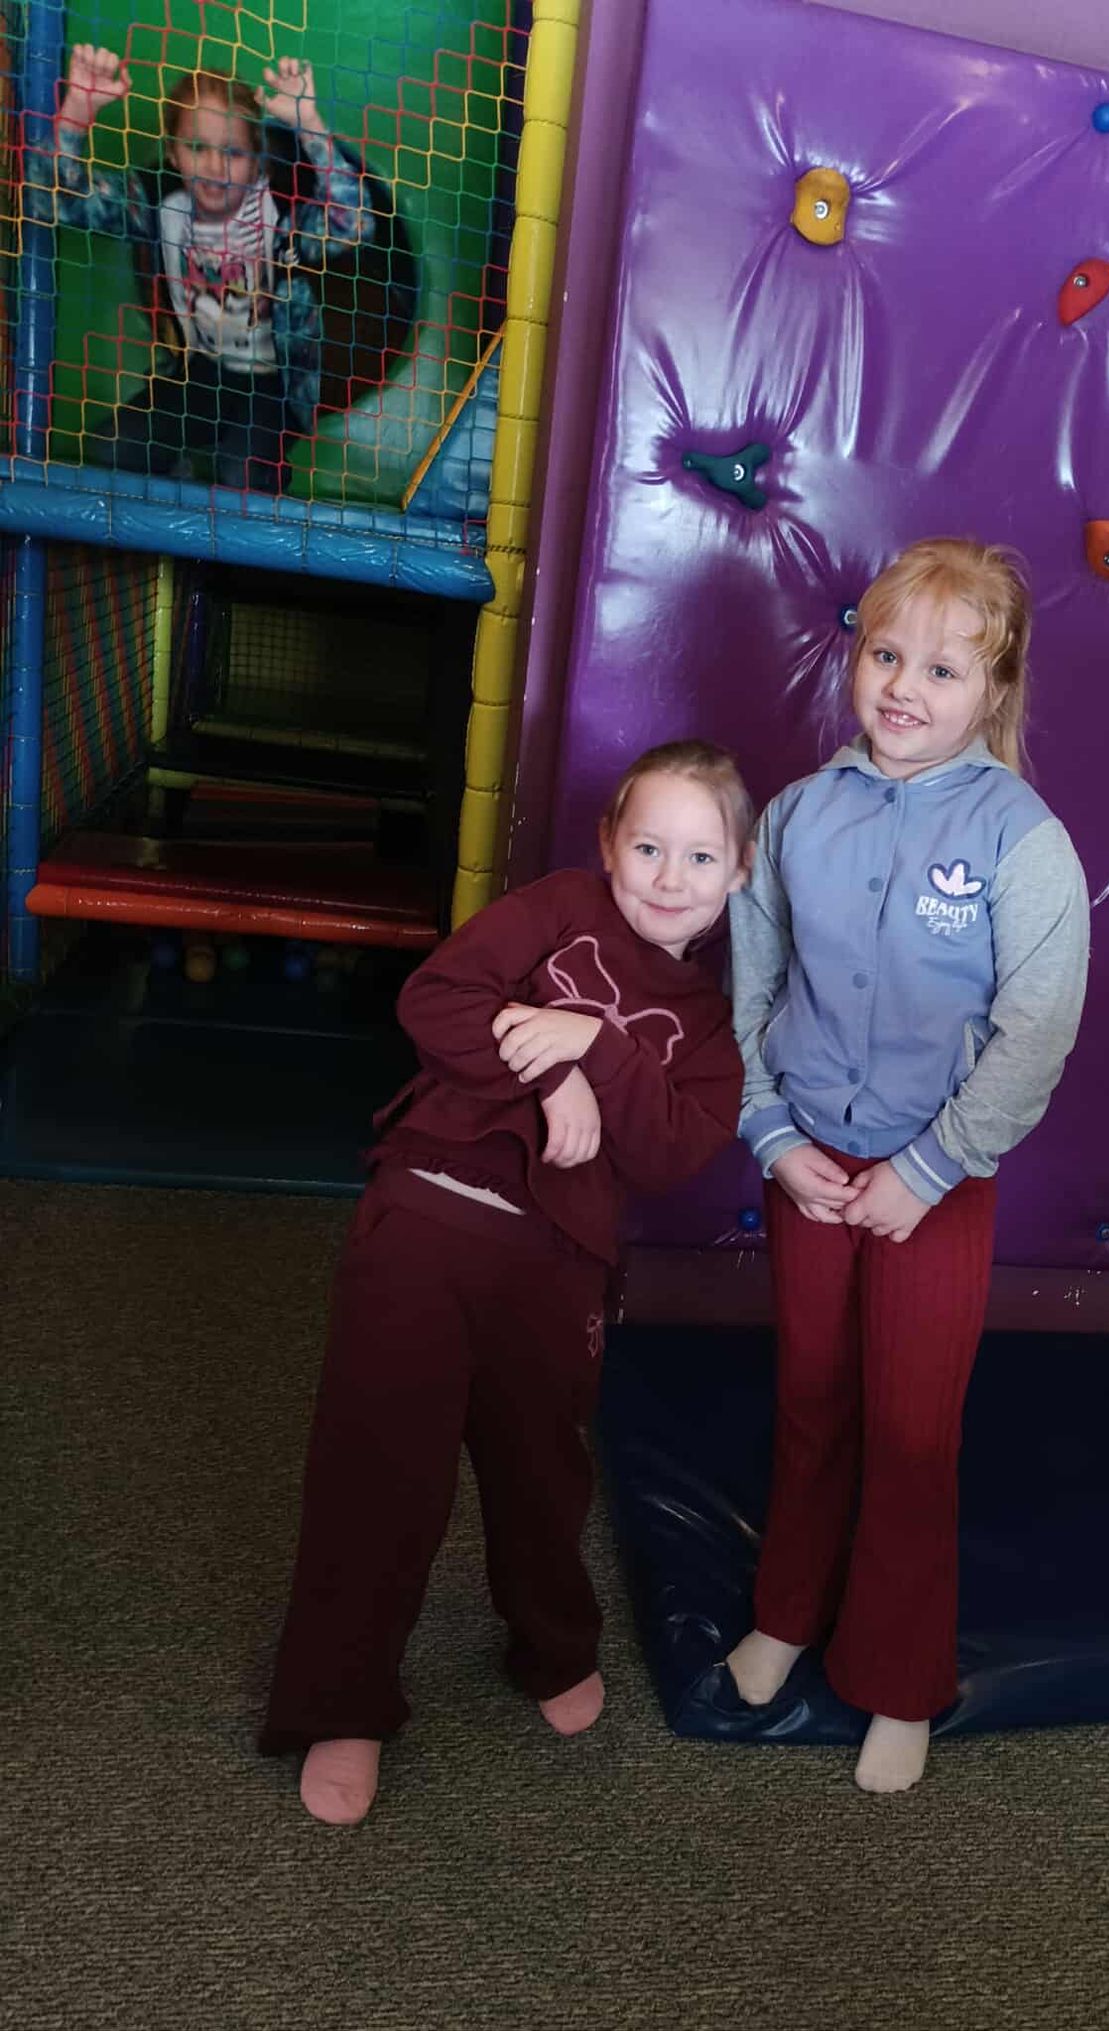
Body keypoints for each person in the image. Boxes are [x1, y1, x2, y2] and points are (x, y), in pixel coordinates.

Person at [261, 741, 752, 1825]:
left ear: (740, 871)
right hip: (429, 1212)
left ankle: (551, 1646)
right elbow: (436, 998)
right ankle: (343, 1700)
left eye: (701, 856)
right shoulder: (563, 906)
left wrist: (593, 1046)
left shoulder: (714, 1028)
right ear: (609, 845)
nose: (670, 877)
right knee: (381, 1467)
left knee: (542, 1476)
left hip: (555, 1263)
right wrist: (553, 1077)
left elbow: (672, 1149)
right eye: (650, 848)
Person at [725, 538, 1090, 1794]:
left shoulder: (1022, 838)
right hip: (807, 1171)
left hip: (936, 1182)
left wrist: (927, 1172)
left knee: (912, 1433)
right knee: (810, 1400)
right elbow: (749, 992)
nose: (904, 687)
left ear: (993, 688)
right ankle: (786, 1613)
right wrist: (773, 1136)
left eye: (942, 668)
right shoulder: (795, 815)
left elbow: (1036, 1033)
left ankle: (896, 1673)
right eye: (886, 654)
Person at [25, 44, 410, 491]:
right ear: (173, 153)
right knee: (114, 448)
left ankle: (261, 476)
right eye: (196, 148)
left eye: (233, 153)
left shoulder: (279, 216)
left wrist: (309, 124)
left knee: (239, 473)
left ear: (257, 161)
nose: (214, 168)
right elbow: (53, 200)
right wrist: (78, 110)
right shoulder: (159, 205)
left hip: (271, 385)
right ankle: (182, 473)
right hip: (201, 374)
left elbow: (354, 222)